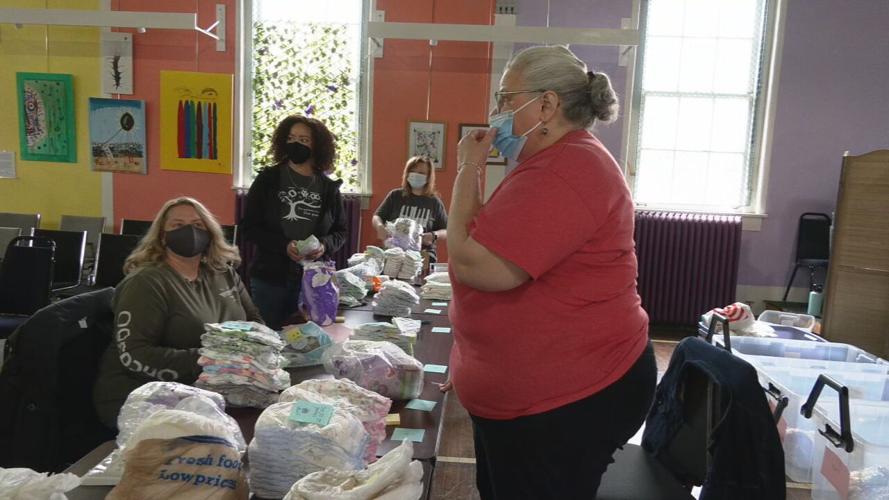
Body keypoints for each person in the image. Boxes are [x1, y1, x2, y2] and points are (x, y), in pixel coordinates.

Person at [444, 45, 657, 499]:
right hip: (535, 397)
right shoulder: (550, 163)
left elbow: (474, 263)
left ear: (545, 104)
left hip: (568, 397)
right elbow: (484, 240)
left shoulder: (567, 168)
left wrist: (468, 165)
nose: (497, 112)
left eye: (505, 98)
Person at [93, 197, 262, 428]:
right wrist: (213, 360)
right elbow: (134, 354)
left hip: (213, 387)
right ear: (162, 236)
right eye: (177, 225)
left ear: (210, 233)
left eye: (198, 225)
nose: (189, 231)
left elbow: (255, 322)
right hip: (146, 398)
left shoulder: (223, 273)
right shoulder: (146, 283)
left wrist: (257, 355)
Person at [241, 114, 348, 330]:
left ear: (317, 146)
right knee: (268, 338)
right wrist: (283, 245)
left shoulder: (328, 188)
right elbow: (248, 227)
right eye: (291, 139)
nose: (296, 144)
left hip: (313, 280)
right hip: (270, 278)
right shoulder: (268, 179)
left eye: (304, 140)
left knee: (310, 340)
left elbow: (341, 232)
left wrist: (324, 245)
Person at [371, 155, 447, 261]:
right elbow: (377, 216)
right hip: (393, 253)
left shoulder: (434, 202)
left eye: (421, 173)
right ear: (407, 174)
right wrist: (380, 227)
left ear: (428, 177)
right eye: (413, 171)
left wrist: (433, 235)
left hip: (423, 256)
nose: (416, 175)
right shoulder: (395, 196)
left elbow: (446, 230)